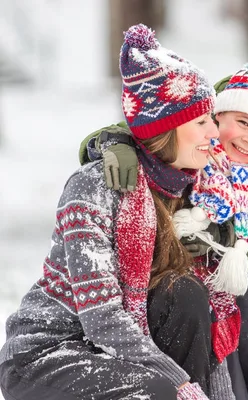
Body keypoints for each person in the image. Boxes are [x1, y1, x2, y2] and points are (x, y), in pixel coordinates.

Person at [0, 24, 234, 400]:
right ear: (167, 128)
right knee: (159, 392)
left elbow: (204, 329)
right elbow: (101, 318)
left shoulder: (196, 192)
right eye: (202, 121)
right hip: (48, 354)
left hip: (122, 351)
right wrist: (181, 385)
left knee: (187, 296)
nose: (215, 134)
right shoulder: (93, 188)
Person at [79, 34, 248, 400]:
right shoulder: (199, 142)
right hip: (166, 256)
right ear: (218, 115)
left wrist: (221, 240)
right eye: (243, 122)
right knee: (190, 302)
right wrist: (110, 141)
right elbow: (153, 129)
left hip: (229, 265)